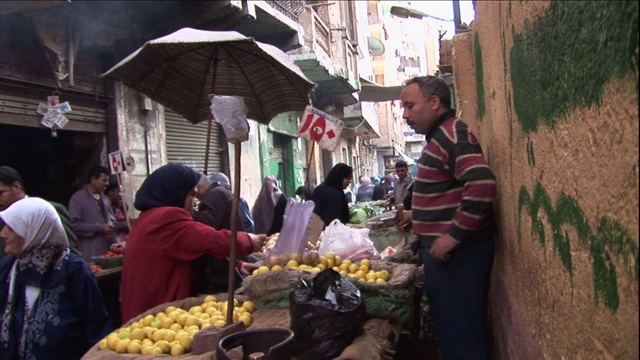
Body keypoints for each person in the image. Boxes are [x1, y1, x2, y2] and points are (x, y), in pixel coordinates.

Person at [396, 75, 497, 359]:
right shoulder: (440, 138)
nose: (405, 115)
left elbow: (482, 184)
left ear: (435, 102)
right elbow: (452, 192)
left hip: (461, 256)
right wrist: (418, 215)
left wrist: (452, 236)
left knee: (461, 335)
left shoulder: (453, 135)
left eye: (410, 106)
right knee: (454, 332)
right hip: (448, 258)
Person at [120, 164, 265, 322]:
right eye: (191, 196)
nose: (194, 204)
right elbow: (210, 239)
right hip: (154, 314)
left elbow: (192, 250)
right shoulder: (166, 218)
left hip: (149, 311)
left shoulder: (146, 219)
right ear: (175, 192)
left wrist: (237, 265)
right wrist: (249, 240)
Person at [0, 197, 112, 359]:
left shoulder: (73, 270)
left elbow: (96, 327)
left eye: (11, 227)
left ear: (34, 229)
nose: (3, 233)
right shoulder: (9, 268)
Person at [0, 166, 81, 258]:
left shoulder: (48, 211)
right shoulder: (2, 219)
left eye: (1, 193)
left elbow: (70, 252)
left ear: (16, 187)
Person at [192, 173, 246, 295]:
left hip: (225, 258)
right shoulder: (220, 193)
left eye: (193, 192)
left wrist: (190, 215)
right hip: (231, 254)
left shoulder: (215, 195)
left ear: (199, 187)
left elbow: (208, 225)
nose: (194, 197)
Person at [68, 165, 120, 262]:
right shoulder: (77, 199)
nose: (107, 184)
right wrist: (99, 227)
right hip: (90, 252)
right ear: (93, 179)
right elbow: (74, 226)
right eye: (104, 180)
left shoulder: (105, 199)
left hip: (110, 252)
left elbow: (112, 222)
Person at [105, 182, 129, 248]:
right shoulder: (106, 207)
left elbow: (128, 225)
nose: (121, 195)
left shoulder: (119, 208)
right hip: (113, 243)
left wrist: (124, 211)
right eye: (118, 192)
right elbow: (113, 225)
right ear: (110, 193)